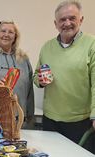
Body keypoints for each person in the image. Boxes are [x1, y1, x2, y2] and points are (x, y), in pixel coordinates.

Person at [33, 0, 95, 145]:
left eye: (72, 18)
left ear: (81, 20)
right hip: (49, 120)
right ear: (56, 24)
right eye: (62, 19)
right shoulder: (47, 47)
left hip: (79, 122)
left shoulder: (91, 44)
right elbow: (36, 76)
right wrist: (40, 81)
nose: (67, 23)